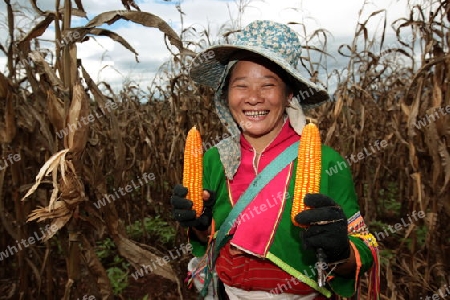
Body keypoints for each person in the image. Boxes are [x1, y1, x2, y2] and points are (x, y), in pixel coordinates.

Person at [171, 20, 379, 300]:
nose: (253, 98)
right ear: (226, 94)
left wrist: (340, 251)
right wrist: (198, 225)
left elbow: (364, 250)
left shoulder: (328, 161)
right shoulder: (213, 158)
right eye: (241, 86)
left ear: (289, 94)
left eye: (268, 85)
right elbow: (204, 240)